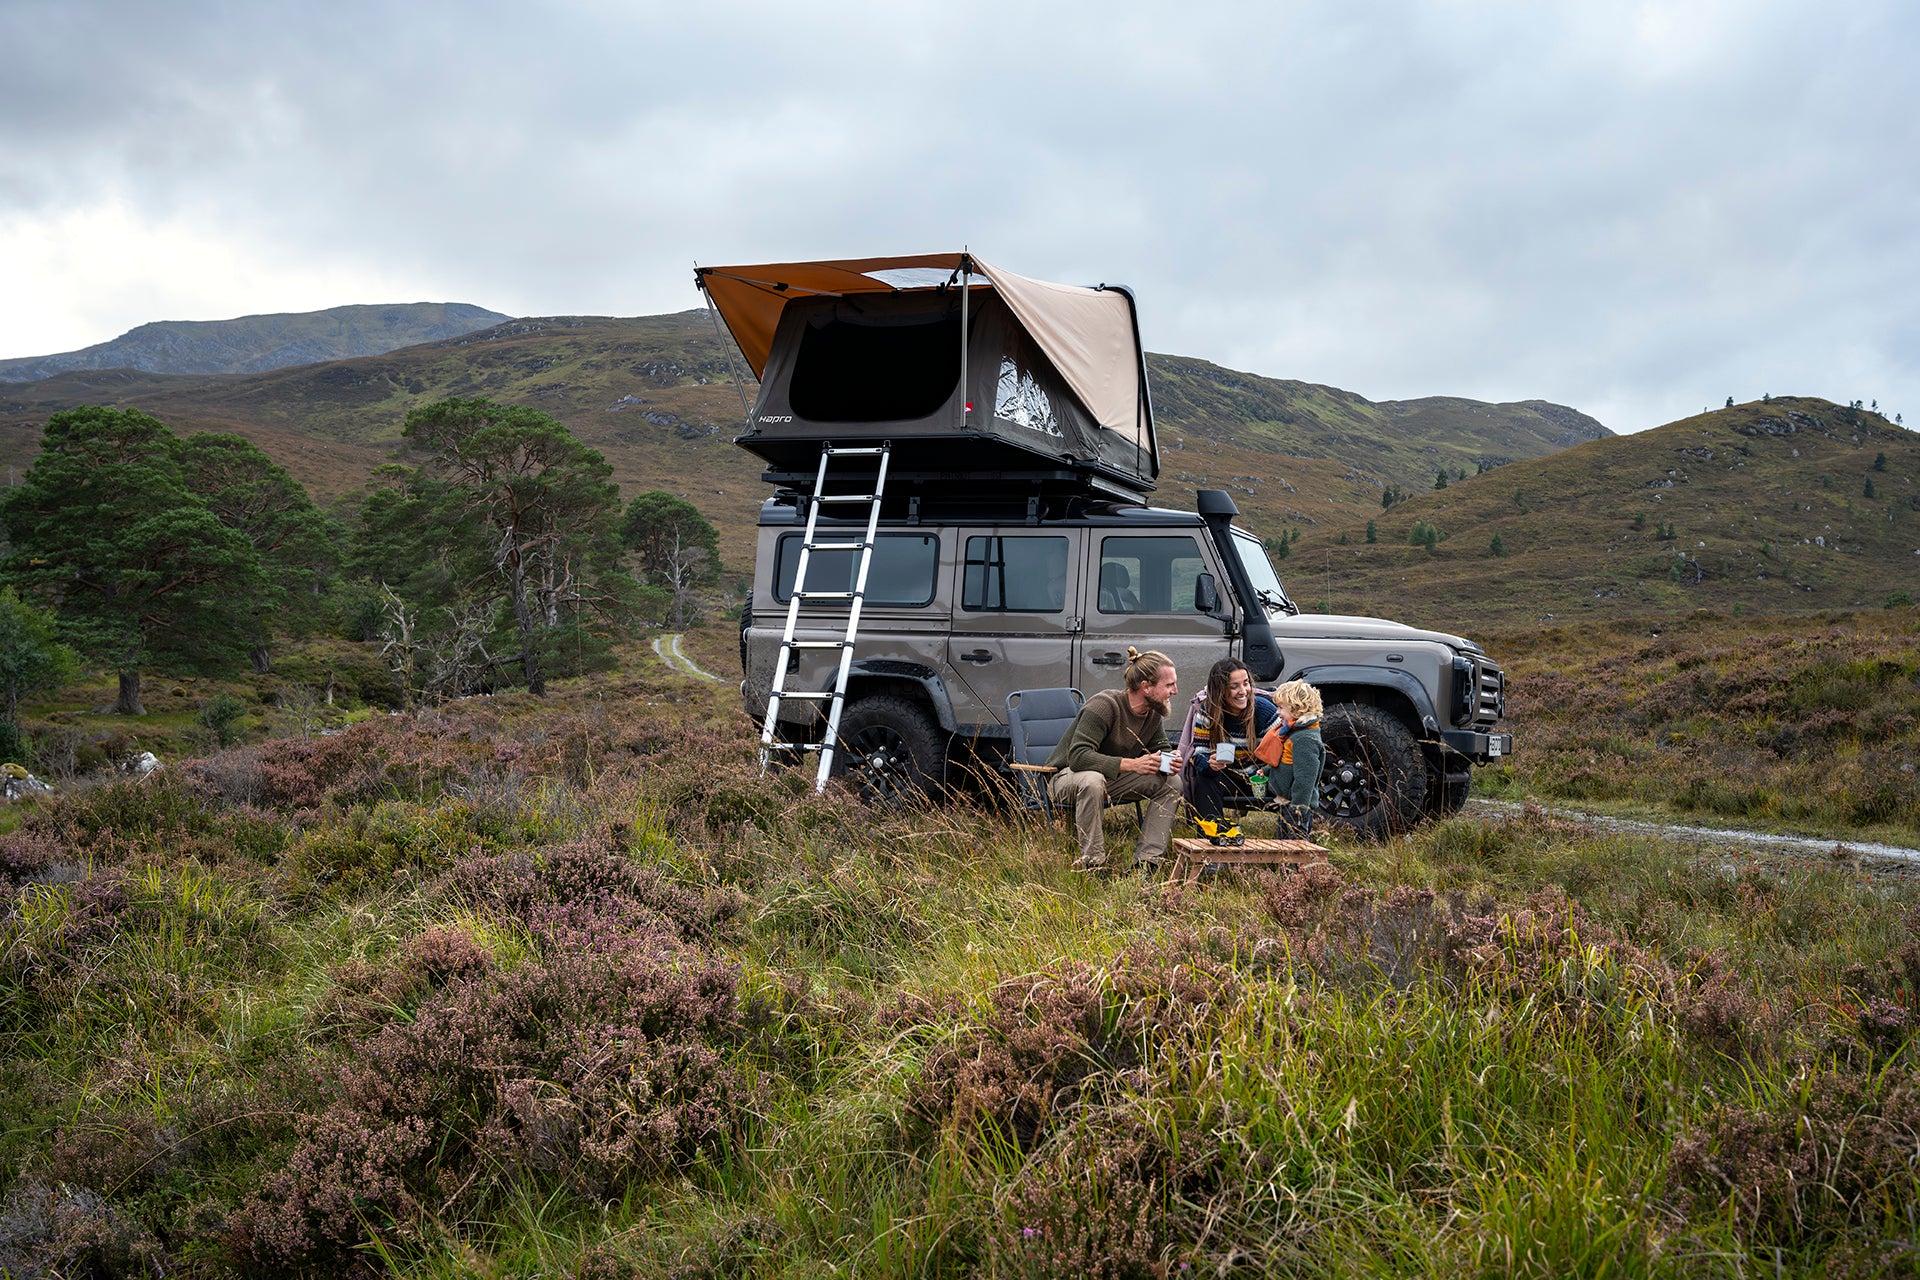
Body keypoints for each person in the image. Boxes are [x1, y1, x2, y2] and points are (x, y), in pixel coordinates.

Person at [1045, 647, 1183, 872]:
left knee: (1172, 782)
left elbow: (1160, 747)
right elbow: (1078, 756)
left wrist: (1170, 759)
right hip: (1065, 779)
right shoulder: (1104, 706)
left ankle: (1147, 862)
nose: (1175, 691)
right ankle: (1092, 862)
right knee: (1092, 779)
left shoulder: (1153, 713)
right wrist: (1133, 764)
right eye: (1169, 685)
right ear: (1146, 686)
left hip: (1109, 780)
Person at [1177, 657, 1283, 833]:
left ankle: (1292, 836)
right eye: (1234, 686)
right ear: (1220, 690)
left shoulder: (1264, 711)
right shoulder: (1208, 711)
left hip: (1263, 780)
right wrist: (1210, 763)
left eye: (1246, 683)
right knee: (1204, 778)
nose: (1243, 691)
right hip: (1230, 777)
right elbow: (1199, 754)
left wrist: (1266, 771)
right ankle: (1214, 835)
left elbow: (1285, 752)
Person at [1265, 679, 1326, 837]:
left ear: (1297, 710)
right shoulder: (1295, 733)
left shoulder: (1305, 739)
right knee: (1283, 844)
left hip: (1296, 807)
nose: (1277, 712)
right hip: (1287, 803)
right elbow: (1287, 764)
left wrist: (1298, 808)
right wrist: (1265, 771)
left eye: (1281, 708)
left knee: (1296, 845)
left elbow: (1305, 778)